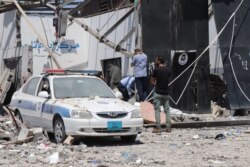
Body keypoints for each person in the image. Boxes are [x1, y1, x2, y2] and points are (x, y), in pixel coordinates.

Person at [151, 56, 171, 133]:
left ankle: (158, 128)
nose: (155, 61)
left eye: (156, 60)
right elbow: (168, 80)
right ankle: (168, 127)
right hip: (166, 93)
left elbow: (152, 81)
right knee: (167, 110)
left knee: (157, 110)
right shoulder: (168, 70)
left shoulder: (156, 70)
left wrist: (155, 82)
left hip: (158, 92)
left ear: (159, 61)